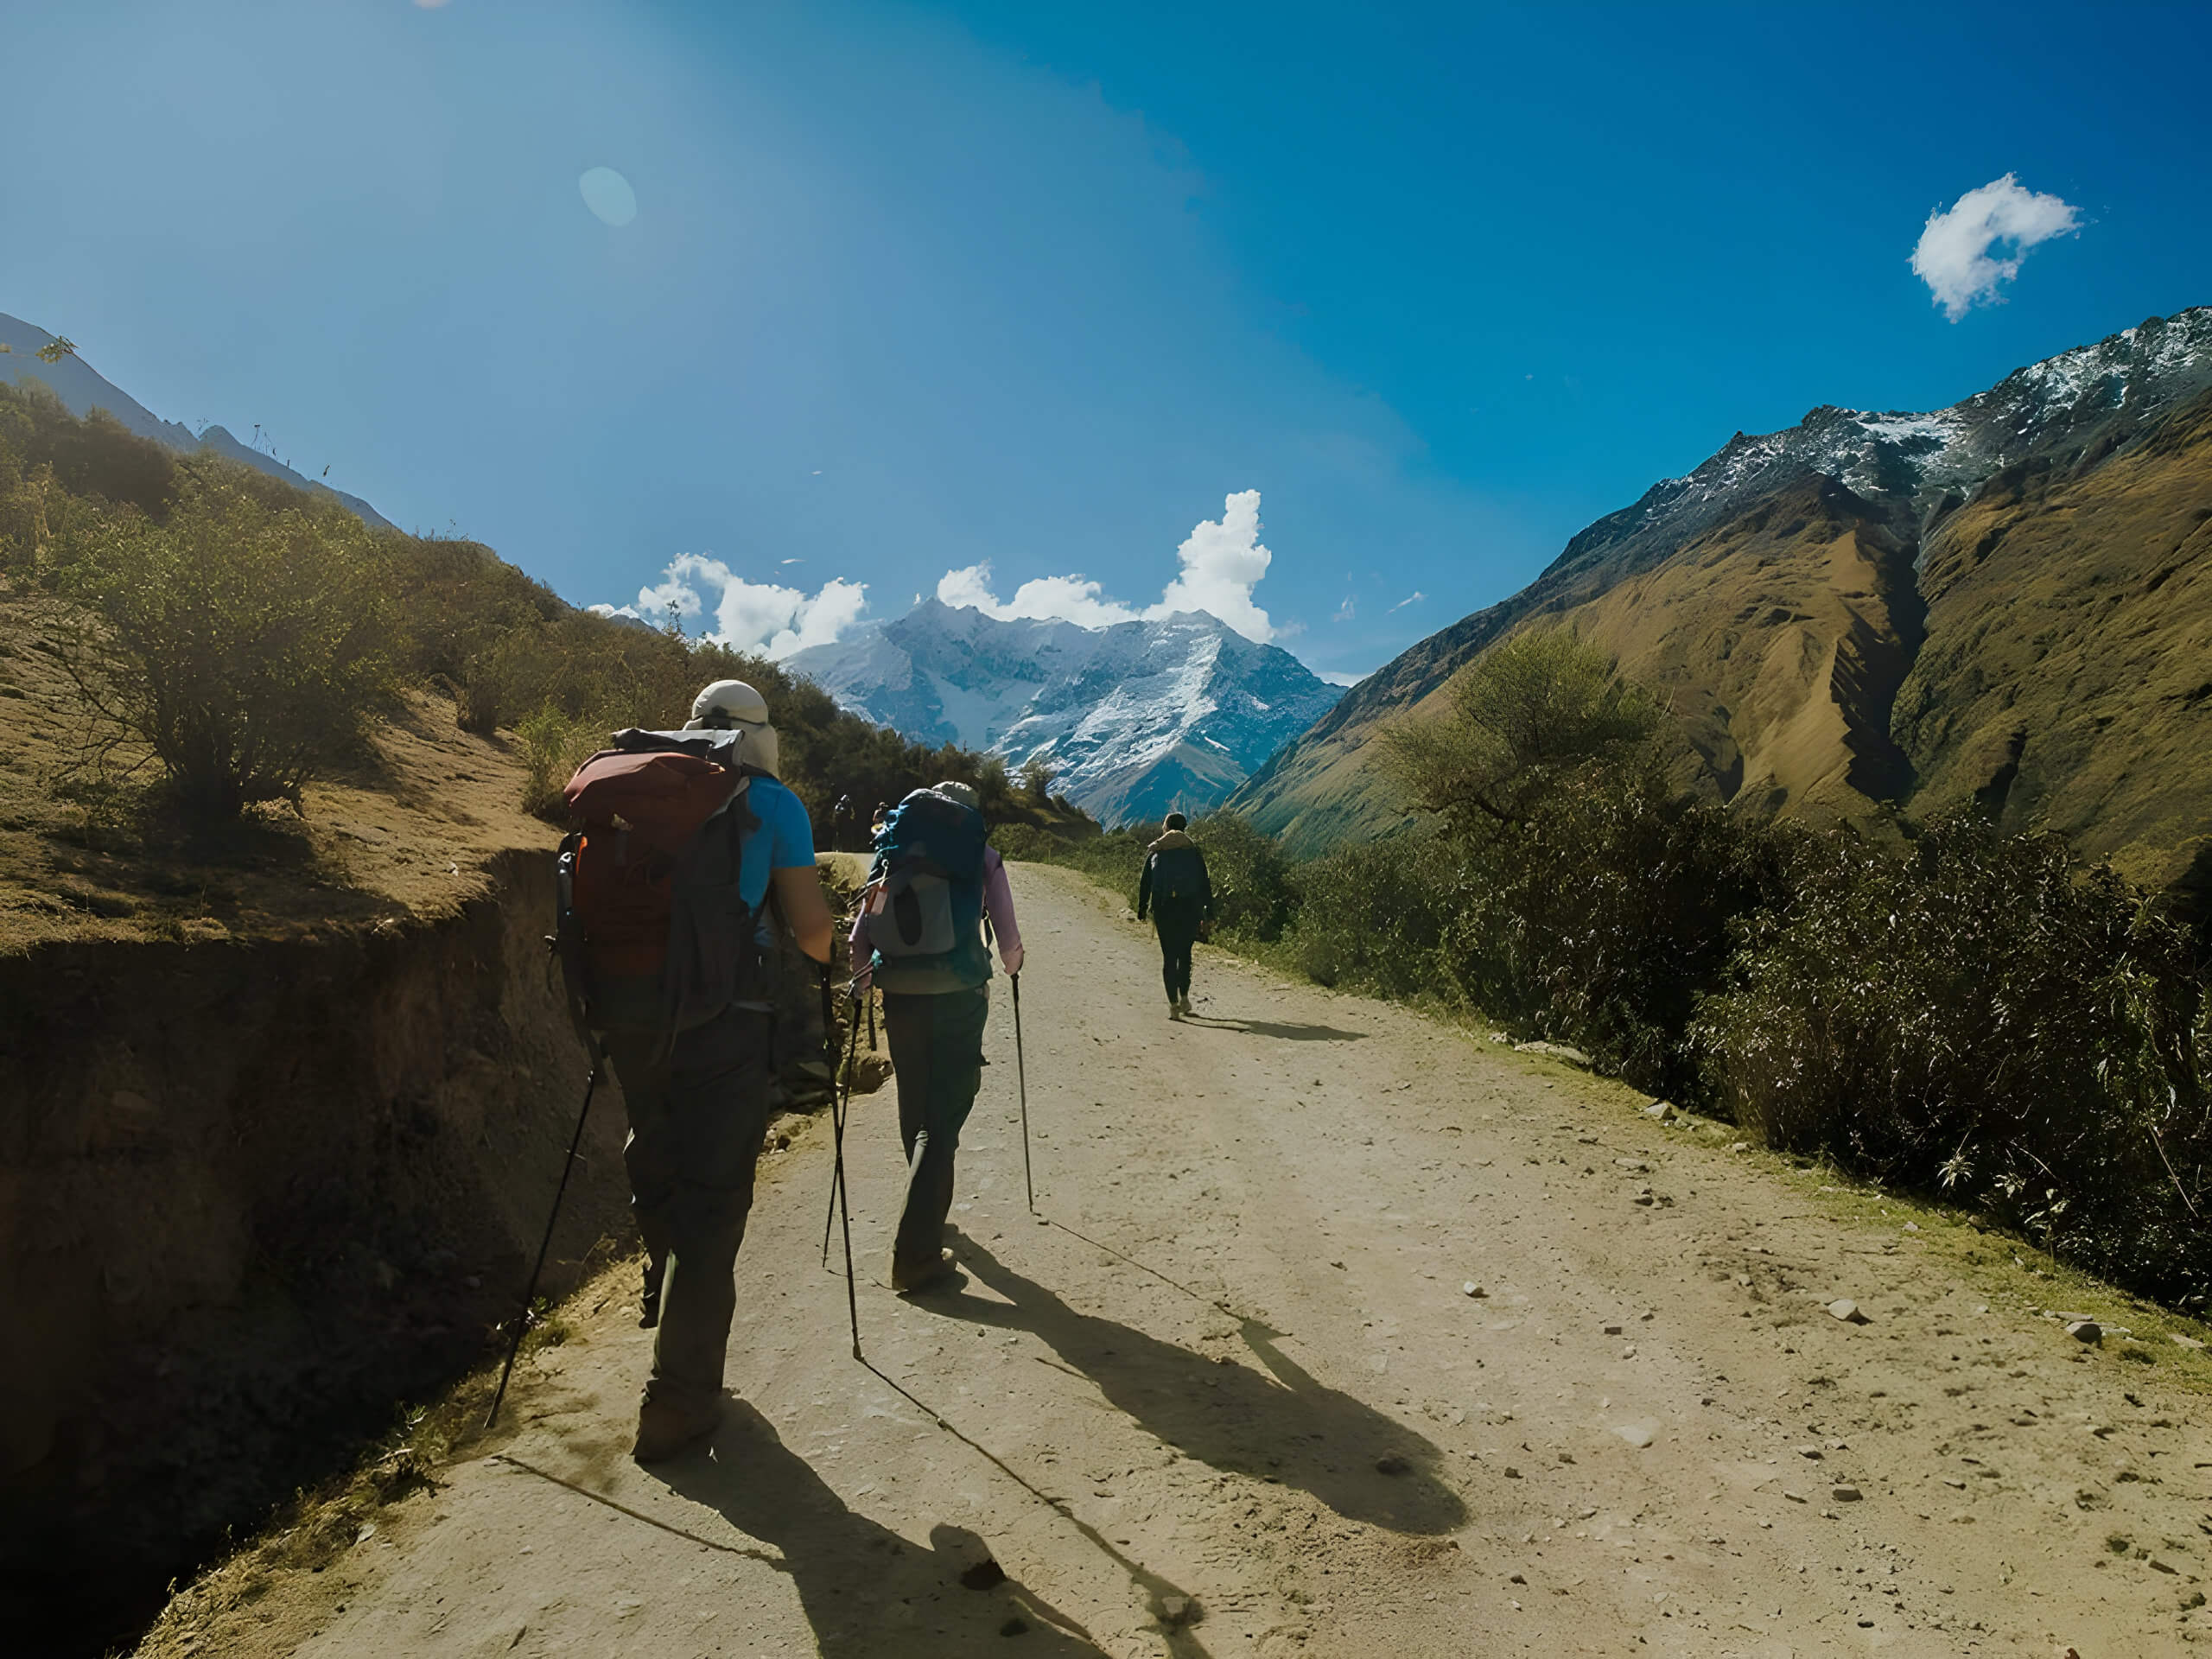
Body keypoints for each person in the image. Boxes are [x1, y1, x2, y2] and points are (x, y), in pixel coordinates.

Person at [568, 678, 833, 1463]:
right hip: (722, 1021)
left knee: (657, 1146)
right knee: (715, 1205)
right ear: (761, 735)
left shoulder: (638, 790)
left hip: (626, 1007)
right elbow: (814, 932)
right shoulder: (771, 802)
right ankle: (678, 1402)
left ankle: (663, 1282)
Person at [850, 780, 1023, 1294]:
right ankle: (916, 1253)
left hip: (899, 995)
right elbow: (1009, 940)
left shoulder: (891, 855)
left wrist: (862, 988)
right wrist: (1013, 967)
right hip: (960, 994)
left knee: (917, 1102)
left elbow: (861, 933)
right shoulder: (980, 855)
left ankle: (924, 1209)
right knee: (943, 1117)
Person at [1136, 812, 1211, 1018]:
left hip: (1163, 908)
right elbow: (1205, 883)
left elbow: (1145, 883)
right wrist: (1209, 913)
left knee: (1169, 957)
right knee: (1185, 955)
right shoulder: (1193, 852)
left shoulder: (1156, 851)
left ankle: (1173, 1006)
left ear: (1166, 827)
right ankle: (1185, 998)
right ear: (1184, 828)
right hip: (1189, 909)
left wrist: (1142, 908)